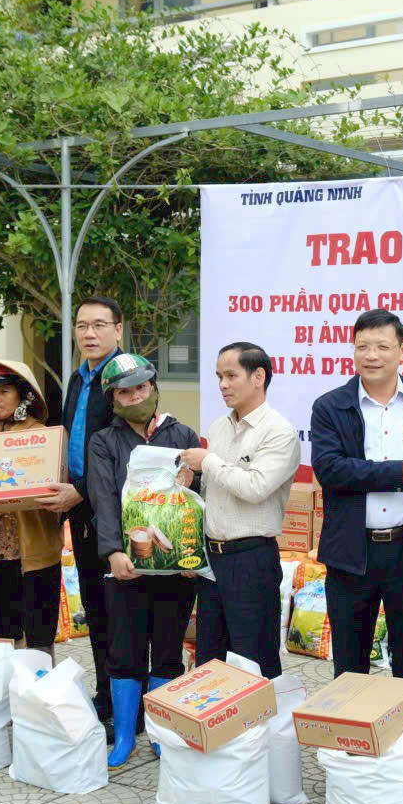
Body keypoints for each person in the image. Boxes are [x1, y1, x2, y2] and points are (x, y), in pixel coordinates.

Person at [310, 309, 403, 803]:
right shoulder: (330, 405)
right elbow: (331, 470)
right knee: (349, 665)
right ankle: (352, 765)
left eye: (381, 346)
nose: (370, 355)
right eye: (361, 346)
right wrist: (399, 469)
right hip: (352, 555)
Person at [87, 354, 199, 767]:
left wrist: (191, 554)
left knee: (167, 650)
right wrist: (113, 551)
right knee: (124, 650)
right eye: (124, 391)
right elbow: (102, 497)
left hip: (174, 566)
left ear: (154, 387)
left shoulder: (182, 434)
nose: (135, 396)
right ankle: (123, 737)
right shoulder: (104, 441)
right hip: (126, 567)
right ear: (113, 398)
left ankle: (159, 732)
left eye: (141, 387)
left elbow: (196, 500)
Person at [178, 342, 300, 680]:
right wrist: (191, 480)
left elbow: (255, 487)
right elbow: (214, 491)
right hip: (212, 559)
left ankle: (261, 732)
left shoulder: (279, 432)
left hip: (250, 559)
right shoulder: (218, 427)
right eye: (219, 376)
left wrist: (209, 462)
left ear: (258, 376)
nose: (223, 385)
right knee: (210, 660)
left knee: (253, 661)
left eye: (231, 375)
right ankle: (218, 731)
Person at [44, 295, 124, 722]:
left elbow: (122, 451)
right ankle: (105, 693)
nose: (89, 334)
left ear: (118, 330)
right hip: (79, 509)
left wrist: (80, 489)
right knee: (94, 604)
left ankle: (122, 702)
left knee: (117, 607)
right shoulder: (79, 378)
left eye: (98, 325)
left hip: (110, 509)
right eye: (81, 326)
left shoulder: (127, 377)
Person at [0, 360, 63, 656]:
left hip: (36, 550)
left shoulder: (41, 433)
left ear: (21, 395)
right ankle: (9, 692)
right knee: (3, 627)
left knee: (40, 627)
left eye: (4, 392)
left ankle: (41, 687)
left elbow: (52, 480)